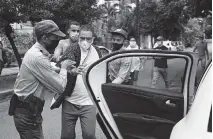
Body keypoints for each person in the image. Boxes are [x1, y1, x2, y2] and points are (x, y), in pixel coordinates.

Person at [11, 20, 72, 139]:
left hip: (27, 111)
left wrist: (58, 68)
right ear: (44, 37)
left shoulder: (36, 53)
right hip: (27, 115)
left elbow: (45, 68)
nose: (57, 41)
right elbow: (60, 87)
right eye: (55, 37)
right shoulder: (37, 57)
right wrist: (64, 68)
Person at [60, 25, 102, 139]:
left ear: (93, 39)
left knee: (89, 135)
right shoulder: (72, 48)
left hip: (89, 102)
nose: (85, 41)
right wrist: (72, 70)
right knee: (67, 136)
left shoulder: (97, 51)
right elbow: (65, 63)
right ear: (78, 37)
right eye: (82, 38)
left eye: (88, 39)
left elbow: (101, 72)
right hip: (70, 101)